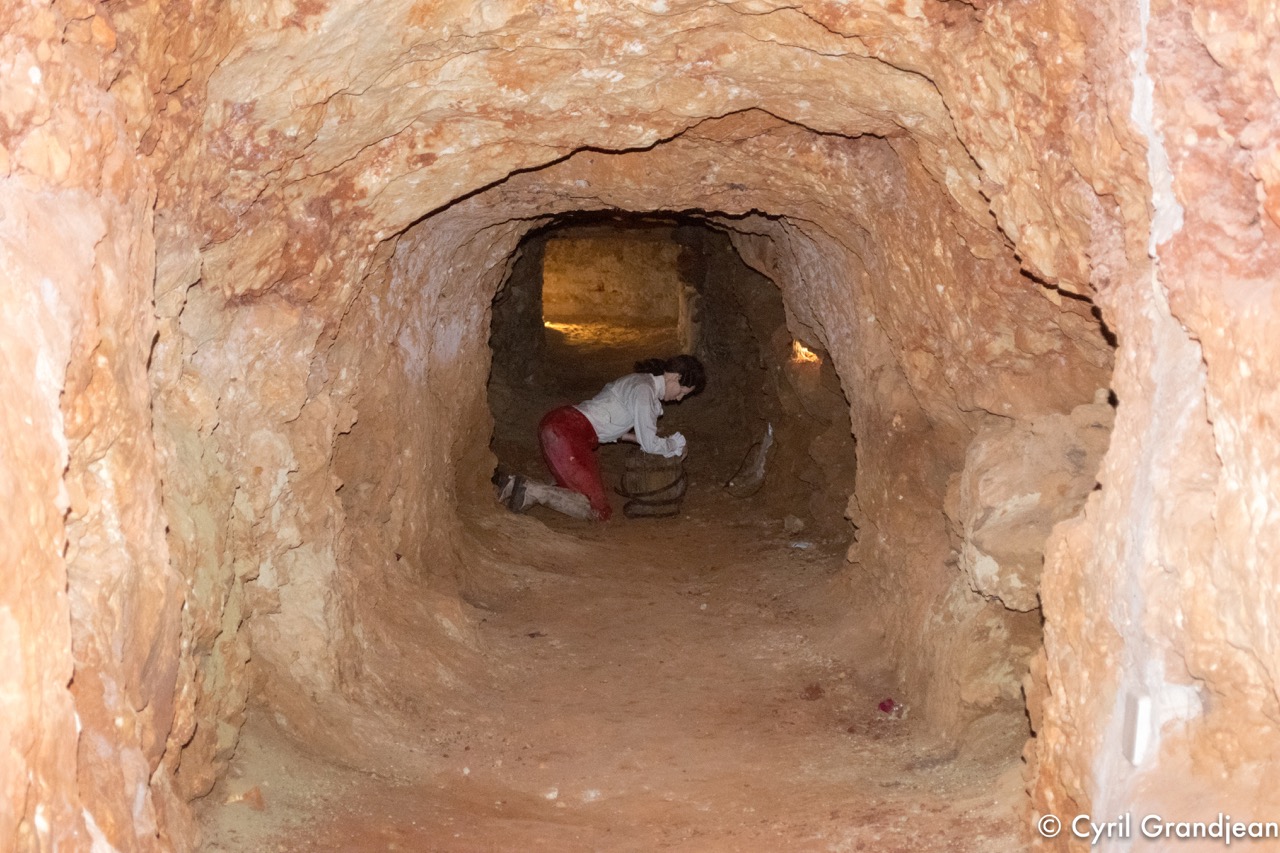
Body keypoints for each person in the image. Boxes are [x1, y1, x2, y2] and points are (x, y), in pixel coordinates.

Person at [499, 354, 706, 520]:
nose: (679, 398)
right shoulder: (645, 392)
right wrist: (675, 444)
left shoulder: (639, 382)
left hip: (561, 424)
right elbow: (650, 444)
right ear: (674, 377)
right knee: (596, 510)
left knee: (577, 482)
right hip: (568, 432)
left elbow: (610, 423)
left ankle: (515, 487)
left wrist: (634, 438)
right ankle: (530, 490)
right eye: (682, 391)